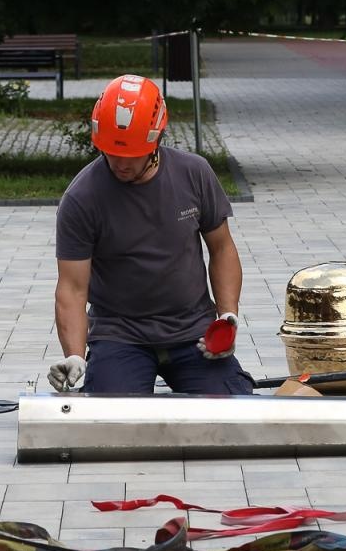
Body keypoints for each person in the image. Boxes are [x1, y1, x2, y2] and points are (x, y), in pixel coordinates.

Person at [49, 74, 254, 395]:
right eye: (111, 152)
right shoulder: (82, 197)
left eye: (131, 154)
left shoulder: (194, 173)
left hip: (193, 333)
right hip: (120, 336)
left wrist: (227, 315)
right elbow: (72, 288)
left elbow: (222, 248)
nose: (120, 163)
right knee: (110, 417)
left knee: (232, 408)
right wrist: (74, 354)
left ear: (156, 140)